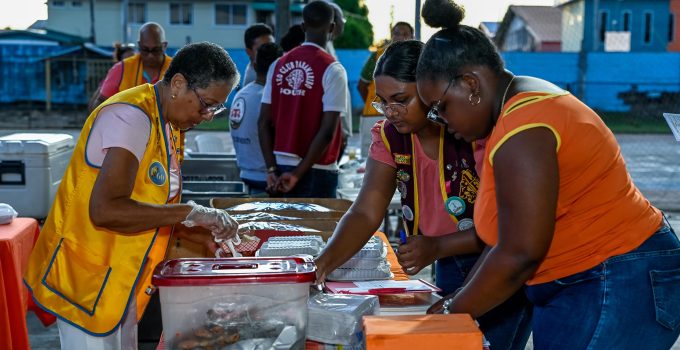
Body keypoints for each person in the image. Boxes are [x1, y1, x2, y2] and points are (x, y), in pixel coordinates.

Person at [417, 1, 680, 349]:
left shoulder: (523, 127)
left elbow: (519, 252)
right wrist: (458, 301)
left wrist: (449, 313)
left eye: (440, 107)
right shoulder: (518, 106)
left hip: (614, 276)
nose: (442, 122)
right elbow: (507, 242)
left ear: (471, 84)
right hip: (592, 279)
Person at [314, 40, 531, 350]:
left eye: (401, 100)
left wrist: (438, 245)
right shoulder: (390, 136)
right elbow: (365, 212)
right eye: (383, 102)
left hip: (494, 264)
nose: (391, 112)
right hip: (445, 261)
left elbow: (507, 232)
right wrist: (322, 264)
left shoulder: (471, 131)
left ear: (431, 90)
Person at [24, 42, 241, 349]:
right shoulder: (131, 116)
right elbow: (107, 210)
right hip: (87, 280)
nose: (207, 116)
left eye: (215, 108)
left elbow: (149, 201)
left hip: (122, 277)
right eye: (206, 104)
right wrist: (188, 213)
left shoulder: (166, 121)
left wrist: (193, 233)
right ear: (178, 84)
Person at [258, 0, 348, 198]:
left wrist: (271, 170)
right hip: (319, 167)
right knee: (318, 229)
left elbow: (263, 122)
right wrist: (297, 175)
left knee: (283, 228)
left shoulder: (278, 64)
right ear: (332, 28)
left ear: (303, 26)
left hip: (281, 164)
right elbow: (327, 132)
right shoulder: (333, 69)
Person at [229, 43, 284, 194]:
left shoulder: (240, 94)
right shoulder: (268, 99)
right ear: (279, 67)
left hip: (246, 174)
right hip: (267, 178)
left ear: (254, 65)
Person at [357, 21, 414, 158]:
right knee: (370, 158)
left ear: (413, 36)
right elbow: (362, 85)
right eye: (396, 34)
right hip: (374, 116)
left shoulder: (416, 57)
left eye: (405, 34)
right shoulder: (378, 56)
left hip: (405, 115)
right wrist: (380, 106)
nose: (400, 37)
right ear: (391, 36)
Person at [88, 22, 171, 113]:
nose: (150, 55)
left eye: (155, 50)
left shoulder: (177, 68)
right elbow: (99, 104)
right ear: (139, 45)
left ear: (164, 46)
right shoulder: (121, 68)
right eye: (145, 50)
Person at [326, 1, 352, 159]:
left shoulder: (329, 46)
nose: (343, 24)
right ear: (333, 24)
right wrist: (341, 131)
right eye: (341, 20)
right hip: (335, 132)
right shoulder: (325, 50)